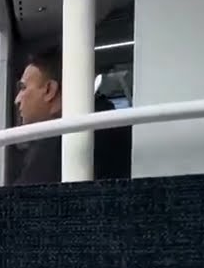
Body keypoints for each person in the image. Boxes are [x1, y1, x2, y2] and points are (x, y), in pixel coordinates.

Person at [9, 48, 132, 186]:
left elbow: (20, 201)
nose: (17, 99)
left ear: (50, 90)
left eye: (23, 88)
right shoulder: (105, 121)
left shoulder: (59, 139)